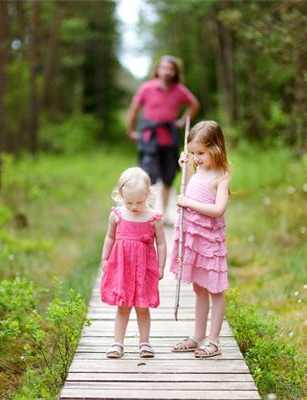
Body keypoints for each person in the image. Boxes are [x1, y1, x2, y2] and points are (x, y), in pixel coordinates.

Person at [169, 121, 231, 358]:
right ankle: (198, 335)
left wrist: (188, 203)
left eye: (201, 153)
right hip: (193, 239)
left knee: (215, 290)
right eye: (193, 153)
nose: (196, 157)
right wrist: (184, 167)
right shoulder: (198, 170)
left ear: (216, 148)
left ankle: (213, 341)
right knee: (198, 288)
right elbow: (188, 188)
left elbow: (218, 210)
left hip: (209, 242)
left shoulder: (221, 176)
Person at [100, 167, 167, 359]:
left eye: (139, 201)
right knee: (123, 306)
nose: (134, 206)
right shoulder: (117, 215)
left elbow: (161, 243)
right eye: (129, 202)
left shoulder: (154, 218)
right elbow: (109, 238)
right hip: (123, 267)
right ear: (121, 195)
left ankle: (144, 343)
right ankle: (117, 343)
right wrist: (105, 258)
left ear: (148, 194)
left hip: (144, 268)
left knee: (142, 306)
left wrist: (161, 266)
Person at [126, 55, 200, 221]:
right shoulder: (147, 88)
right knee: (147, 178)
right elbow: (134, 109)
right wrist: (130, 130)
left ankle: (164, 215)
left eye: (171, 69)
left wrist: (181, 121)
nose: (167, 72)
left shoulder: (179, 90)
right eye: (164, 68)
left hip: (169, 140)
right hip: (149, 140)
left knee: (168, 178)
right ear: (158, 70)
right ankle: (147, 214)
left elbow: (194, 104)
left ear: (175, 72)